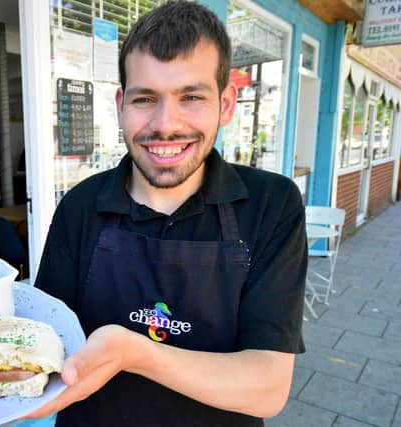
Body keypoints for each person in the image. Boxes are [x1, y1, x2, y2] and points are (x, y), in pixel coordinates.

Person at [27, 2, 307, 426]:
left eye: (191, 97)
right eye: (145, 99)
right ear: (122, 104)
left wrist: (137, 353)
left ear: (226, 104)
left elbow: (267, 388)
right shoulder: (80, 205)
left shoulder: (272, 204)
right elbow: (43, 346)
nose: (165, 124)